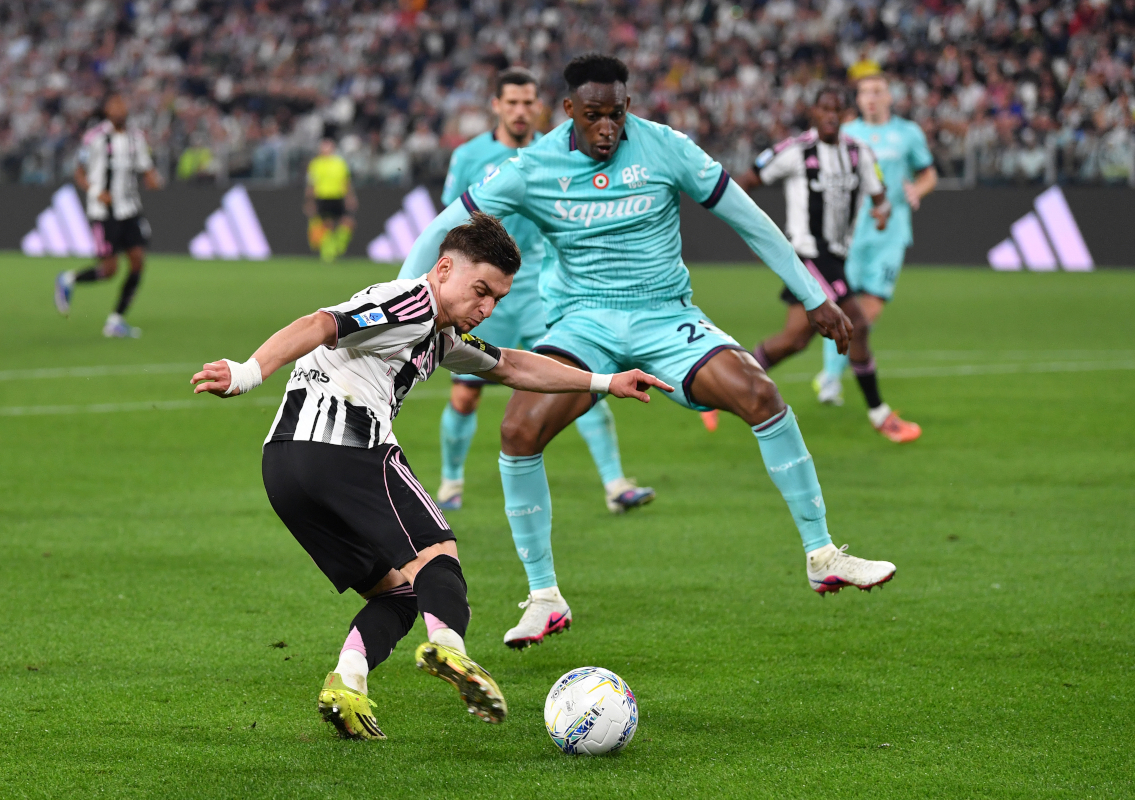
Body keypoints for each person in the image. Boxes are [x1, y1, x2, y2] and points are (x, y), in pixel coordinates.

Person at [401, 54, 898, 651]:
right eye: (593, 116)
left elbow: (750, 217)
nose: (607, 127)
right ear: (568, 112)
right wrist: (408, 299)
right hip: (584, 325)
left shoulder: (667, 148)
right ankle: (543, 598)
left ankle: (822, 554)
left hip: (667, 317)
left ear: (628, 106)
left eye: (616, 113)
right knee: (518, 431)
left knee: (759, 392)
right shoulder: (532, 167)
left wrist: (812, 293)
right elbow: (441, 228)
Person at [190, 212, 670, 740]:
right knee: (438, 556)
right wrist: (246, 371)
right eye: (480, 290)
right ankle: (450, 648)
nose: (486, 308)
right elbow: (321, 323)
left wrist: (604, 380)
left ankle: (346, 683)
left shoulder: (439, 333)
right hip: (347, 446)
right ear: (443, 269)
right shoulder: (413, 303)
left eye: (497, 299)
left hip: (284, 468)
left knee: (396, 595)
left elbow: (510, 366)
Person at [413, 67, 653, 515]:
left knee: (580, 380)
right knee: (466, 393)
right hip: (483, 293)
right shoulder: (468, 156)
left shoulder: (554, 151)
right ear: (497, 106)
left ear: (539, 107)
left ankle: (616, 484)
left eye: (529, 102)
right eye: (513, 103)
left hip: (541, 288)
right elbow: (448, 221)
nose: (522, 111)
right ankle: (449, 484)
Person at [736, 85, 922, 444]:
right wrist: (754, 234)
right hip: (807, 255)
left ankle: (723, 384)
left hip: (836, 256)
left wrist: (882, 215)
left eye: (837, 109)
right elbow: (747, 181)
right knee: (858, 325)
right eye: (824, 109)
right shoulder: (795, 151)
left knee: (793, 340)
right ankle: (880, 415)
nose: (831, 116)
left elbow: (880, 198)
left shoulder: (859, 154)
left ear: (845, 115)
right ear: (814, 113)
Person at [814, 70, 938, 405]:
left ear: (889, 97)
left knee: (869, 311)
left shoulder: (908, 134)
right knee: (839, 307)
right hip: (849, 235)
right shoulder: (846, 133)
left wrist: (917, 190)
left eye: (877, 91)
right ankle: (830, 378)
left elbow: (929, 174)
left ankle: (835, 370)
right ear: (857, 99)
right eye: (864, 92)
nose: (870, 97)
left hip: (891, 233)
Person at [53, 92, 161, 337]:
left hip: (130, 209)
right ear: (107, 110)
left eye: (123, 104)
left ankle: (115, 320)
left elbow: (147, 169)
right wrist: (96, 191)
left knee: (137, 261)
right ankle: (69, 279)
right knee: (110, 269)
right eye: (115, 105)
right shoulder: (95, 138)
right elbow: (79, 173)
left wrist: (154, 180)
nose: (120, 108)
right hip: (104, 212)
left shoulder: (136, 137)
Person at [305, 136, 358, 263]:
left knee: (348, 222)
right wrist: (309, 201)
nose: (325, 149)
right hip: (323, 197)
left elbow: (346, 182)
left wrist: (350, 197)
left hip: (338, 197)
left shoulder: (339, 163)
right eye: (323, 146)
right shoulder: (316, 164)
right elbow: (311, 184)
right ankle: (328, 253)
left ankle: (338, 245)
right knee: (326, 224)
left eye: (327, 146)